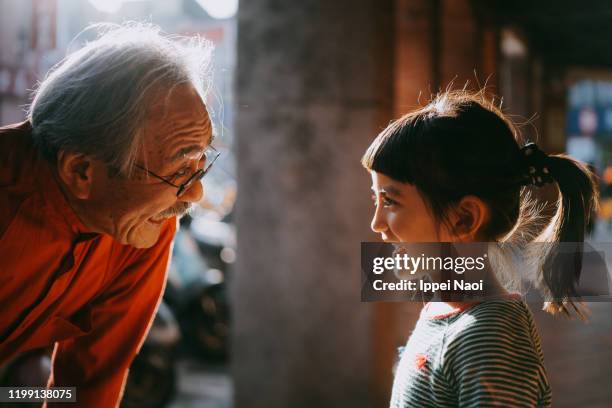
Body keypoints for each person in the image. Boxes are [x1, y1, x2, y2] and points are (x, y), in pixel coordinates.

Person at [0, 23, 216, 407]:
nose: (196, 193)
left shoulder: (142, 226)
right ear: (81, 171)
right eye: (179, 170)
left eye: (201, 165)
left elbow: (89, 387)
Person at [362, 90, 599, 407]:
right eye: (376, 199)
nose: (376, 223)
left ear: (464, 218)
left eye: (391, 201)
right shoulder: (442, 309)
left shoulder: (491, 337)